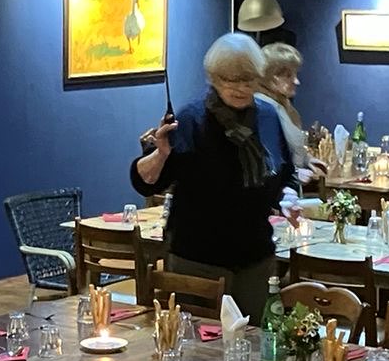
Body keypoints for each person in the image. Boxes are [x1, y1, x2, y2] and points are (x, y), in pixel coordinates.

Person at [131, 33, 297, 320]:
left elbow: (285, 174)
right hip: (198, 260)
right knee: (197, 342)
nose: (241, 88)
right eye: (231, 80)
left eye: (248, 80)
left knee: (256, 339)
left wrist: (288, 197)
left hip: (255, 257)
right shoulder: (192, 119)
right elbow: (147, 183)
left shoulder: (268, 117)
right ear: (214, 78)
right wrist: (160, 154)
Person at [258, 41, 321, 186]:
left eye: (295, 74)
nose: (296, 81)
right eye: (288, 75)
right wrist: (295, 173)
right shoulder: (263, 109)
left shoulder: (283, 105)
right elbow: (264, 161)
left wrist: (307, 160)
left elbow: (289, 149)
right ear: (270, 76)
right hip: (277, 193)